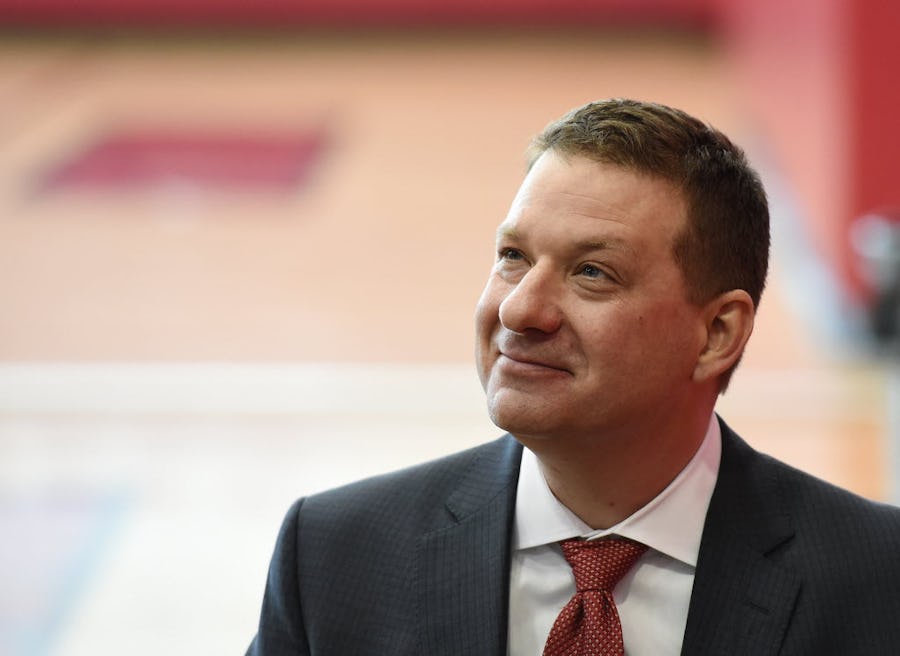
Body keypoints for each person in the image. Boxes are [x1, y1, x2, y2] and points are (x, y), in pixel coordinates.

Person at [245, 99, 900, 655]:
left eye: (592, 272)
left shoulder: (878, 581)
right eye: (513, 257)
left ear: (718, 333)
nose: (520, 309)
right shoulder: (335, 558)